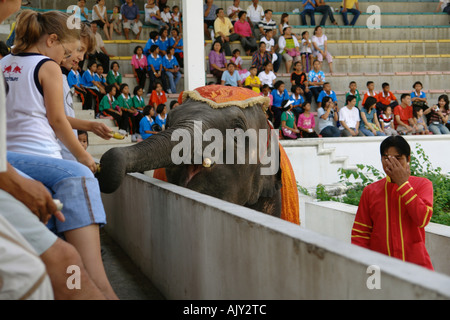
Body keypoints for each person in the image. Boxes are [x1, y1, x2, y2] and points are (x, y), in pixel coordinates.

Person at [2, 9, 118, 299]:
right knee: (80, 176)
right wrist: (84, 157)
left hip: (12, 155)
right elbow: (57, 120)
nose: (67, 59)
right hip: (42, 156)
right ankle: (97, 281)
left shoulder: (4, 62)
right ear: (52, 40)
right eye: (67, 51)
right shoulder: (48, 66)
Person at [351, 135, 434, 270]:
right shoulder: (370, 191)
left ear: (408, 159)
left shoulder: (423, 184)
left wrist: (403, 183)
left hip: (417, 268)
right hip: (379, 269)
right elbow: (360, 235)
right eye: (386, 158)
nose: (391, 163)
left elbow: (422, 219)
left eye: (398, 158)